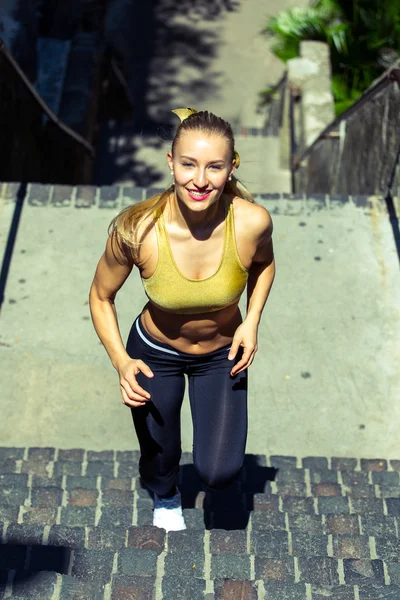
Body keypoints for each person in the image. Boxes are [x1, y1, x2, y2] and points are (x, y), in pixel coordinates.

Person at [89, 109, 275, 531]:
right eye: (188, 164)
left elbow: (265, 266)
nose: (200, 179)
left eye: (214, 166)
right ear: (171, 162)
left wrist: (253, 320)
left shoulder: (251, 221)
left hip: (221, 355)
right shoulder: (137, 230)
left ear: (231, 167)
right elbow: (101, 297)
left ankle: (194, 477)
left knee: (220, 472)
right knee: (160, 452)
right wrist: (122, 361)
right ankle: (166, 492)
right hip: (154, 354)